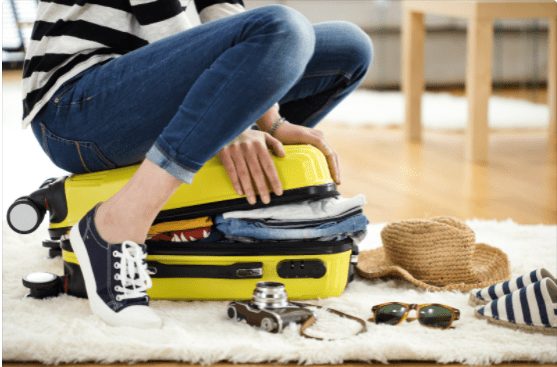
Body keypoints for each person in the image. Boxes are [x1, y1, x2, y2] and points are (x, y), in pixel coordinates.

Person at [23, 0, 373, 328]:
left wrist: (266, 119)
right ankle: (116, 222)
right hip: (75, 108)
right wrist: (233, 119)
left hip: (150, 92)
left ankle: (244, 208)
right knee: (281, 27)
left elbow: (224, 13)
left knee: (347, 47)